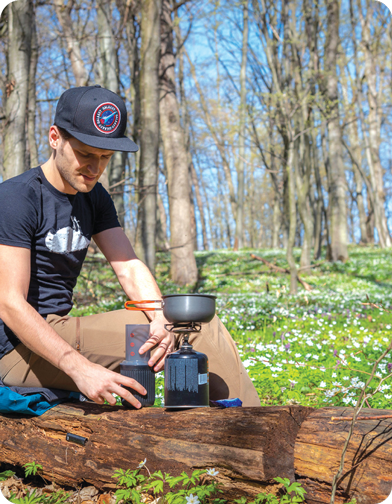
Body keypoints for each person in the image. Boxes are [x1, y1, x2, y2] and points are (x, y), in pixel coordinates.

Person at [0, 85, 260, 409]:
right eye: (85, 154)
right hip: (14, 350)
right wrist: (80, 370)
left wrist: (161, 317)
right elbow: (9, 304)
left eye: (105, 158)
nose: (95, 169)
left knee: (191, 325)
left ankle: (244, 428)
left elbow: (128, 266)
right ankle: (257, 435)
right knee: (192, 331)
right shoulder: (16, 198)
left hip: (60, 332)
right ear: (55, 137)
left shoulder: (94, 197)